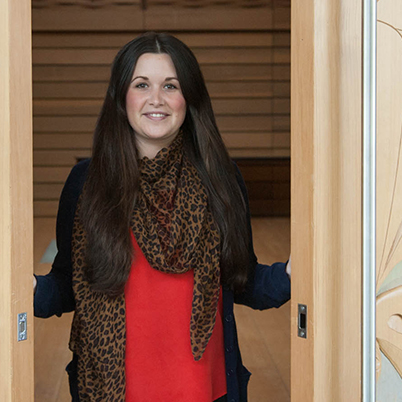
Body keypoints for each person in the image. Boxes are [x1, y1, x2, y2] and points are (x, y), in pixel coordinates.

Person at [33, 32, 291, 402]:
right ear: (122, 98)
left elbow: (242, 279)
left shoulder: (221, 177)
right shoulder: (87, 183)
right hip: (114, 392)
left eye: (171, 85)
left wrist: (290, 276)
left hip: (206, 391)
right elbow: (66, 285)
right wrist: (25, 291)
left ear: (190, 98)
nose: (157, 99)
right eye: (142, 85)